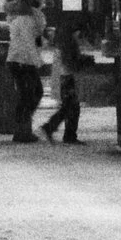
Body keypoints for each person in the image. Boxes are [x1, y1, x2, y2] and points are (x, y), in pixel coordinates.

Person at [6, 0, 48, 143]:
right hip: (22, 61)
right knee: (32, 94)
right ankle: (21, 130)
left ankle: (22, 129)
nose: (43, 2)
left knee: (28, 95)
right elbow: (28, 42)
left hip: (20, 60)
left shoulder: (28, 17)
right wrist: (38, 61)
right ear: (34, 0)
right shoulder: (26, 19)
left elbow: (34, 40)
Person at [40, 10, 84, 144]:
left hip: (62, 77)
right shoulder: (69, 43)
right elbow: (71, 62)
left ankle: (59, 131)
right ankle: (56, 129)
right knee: (71, 107)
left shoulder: (62, 40)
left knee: (69, 106)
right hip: (66, 77)